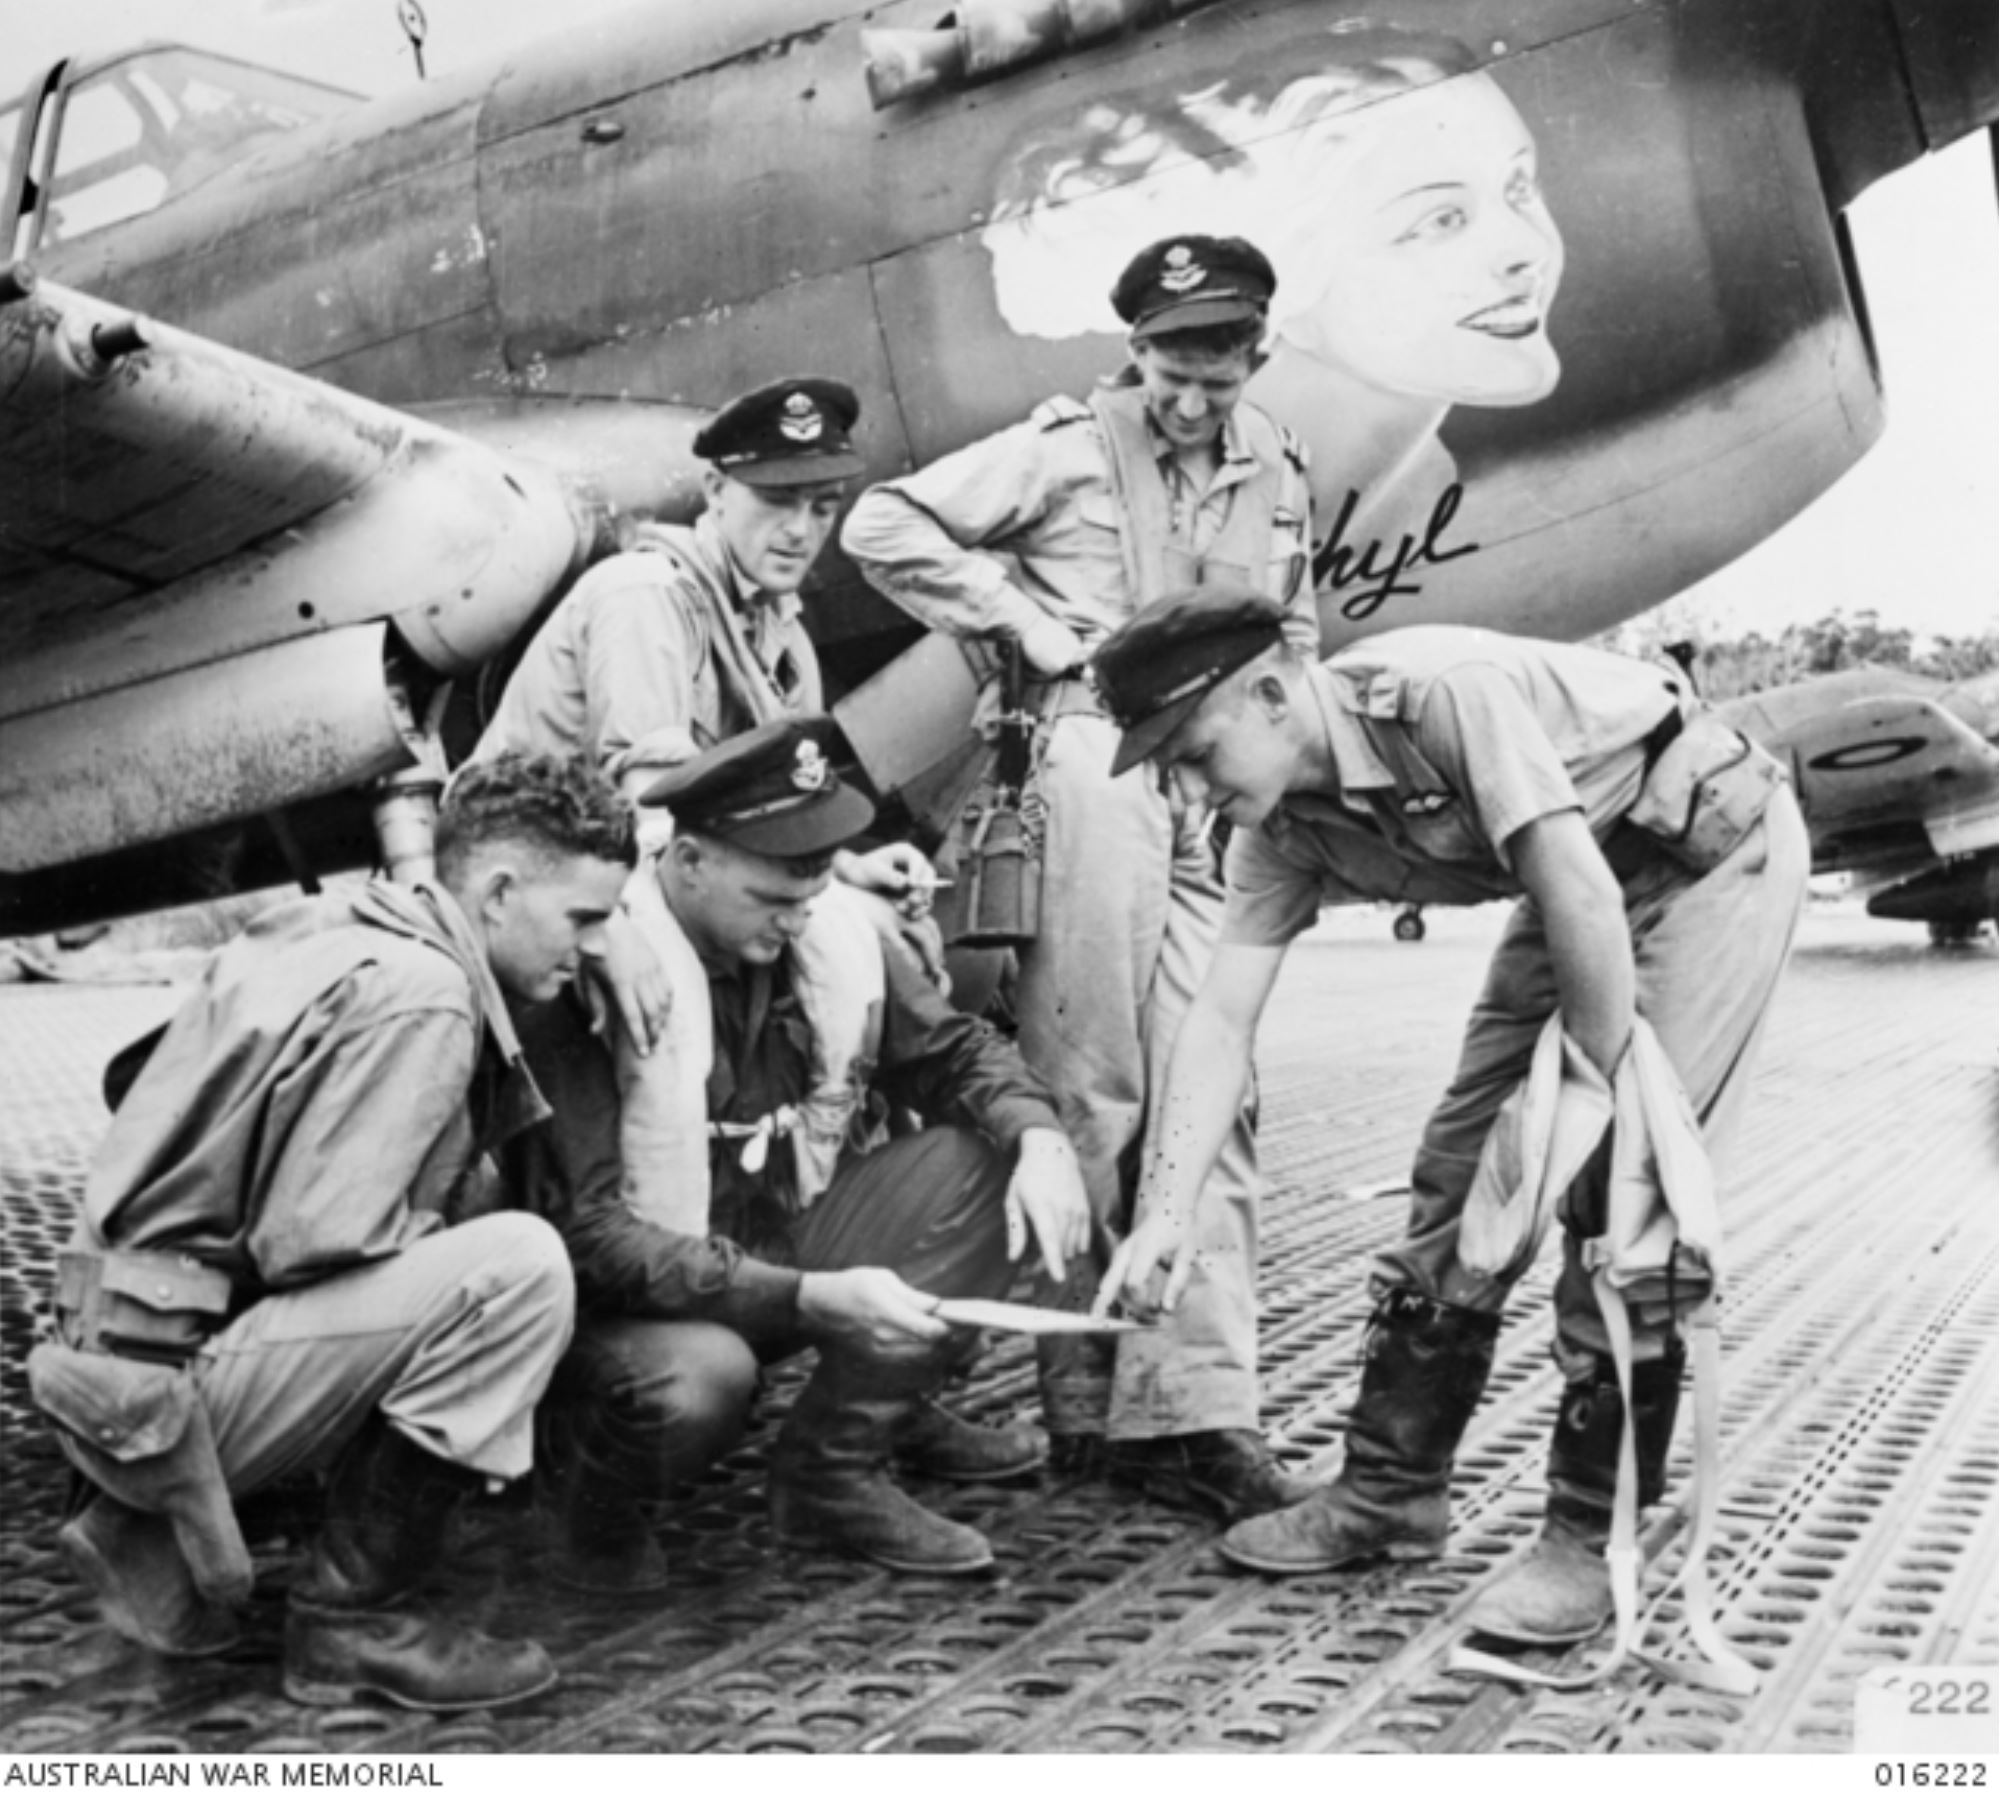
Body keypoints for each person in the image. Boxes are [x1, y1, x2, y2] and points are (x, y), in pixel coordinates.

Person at [1090, 587, 1809, 1645]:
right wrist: (1163, 1212)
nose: (1187, 788)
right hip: (1580, 871)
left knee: (1623, 1196)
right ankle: (1389, 1488)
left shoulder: (1435, 697)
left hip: (1702, 856)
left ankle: (1586, 1537)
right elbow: (1217, 1020)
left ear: (1276, 691)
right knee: (1459, 1169)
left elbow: (1580, 898)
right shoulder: (1279, 828)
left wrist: (1593, 1100)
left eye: (1196, 751)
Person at [841, 235, 1317, 1521]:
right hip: (1093, 770)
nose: (1189, 400)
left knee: (1218, 1095)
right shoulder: (1061, 446)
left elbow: (1300, 632)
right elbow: (883, 522)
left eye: (1215, 374)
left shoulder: (1281, 466)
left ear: (1253, 357)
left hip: (1215, 794)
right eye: (1168, 368)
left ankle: (1198, 1413)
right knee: (1091, 1096)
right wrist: (1023, 622)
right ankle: (1083, 1404)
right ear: (1137, 353)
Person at [32, 753, 636, 1710]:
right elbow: (312, 1240)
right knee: (516, 1268)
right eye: (584, 917)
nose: (598, 946)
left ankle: (219, 1509)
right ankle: (350, 1621)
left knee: (463, 1255)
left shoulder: (349, 922)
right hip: (169, 1399)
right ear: (500, 889)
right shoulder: (428, 991)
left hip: (122, 1359)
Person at [504, 715, 1094, 1580]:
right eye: (770, 899)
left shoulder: (829, 931)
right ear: (690, 859)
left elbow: (958, 1050)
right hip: (630, 1299)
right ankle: (585, 1512)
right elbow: (585, 1235)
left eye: (807, 895)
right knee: (699, 1381)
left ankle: (832, 1470)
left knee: (991, 1161)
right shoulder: (590, 965)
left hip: (775, 1245)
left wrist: (1041, 1140)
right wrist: (809, 1297)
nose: (795, 921)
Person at [980, 25, 1564, 625]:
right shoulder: (1135, 523)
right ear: (1287, 277)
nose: (1527, 249)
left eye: (1520, 189)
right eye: (1440, 220)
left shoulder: (1424, 485)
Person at [472, 374, 931, 917]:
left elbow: (783, 806)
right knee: (840, 929)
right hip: (521, 892)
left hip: (609, 878)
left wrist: (851, 868)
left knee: (884, 922)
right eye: (777, 500)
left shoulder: (783, 636)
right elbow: (653, 823)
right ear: (716, 491)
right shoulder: (646, 593)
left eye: (823, 506)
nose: (800, 531)